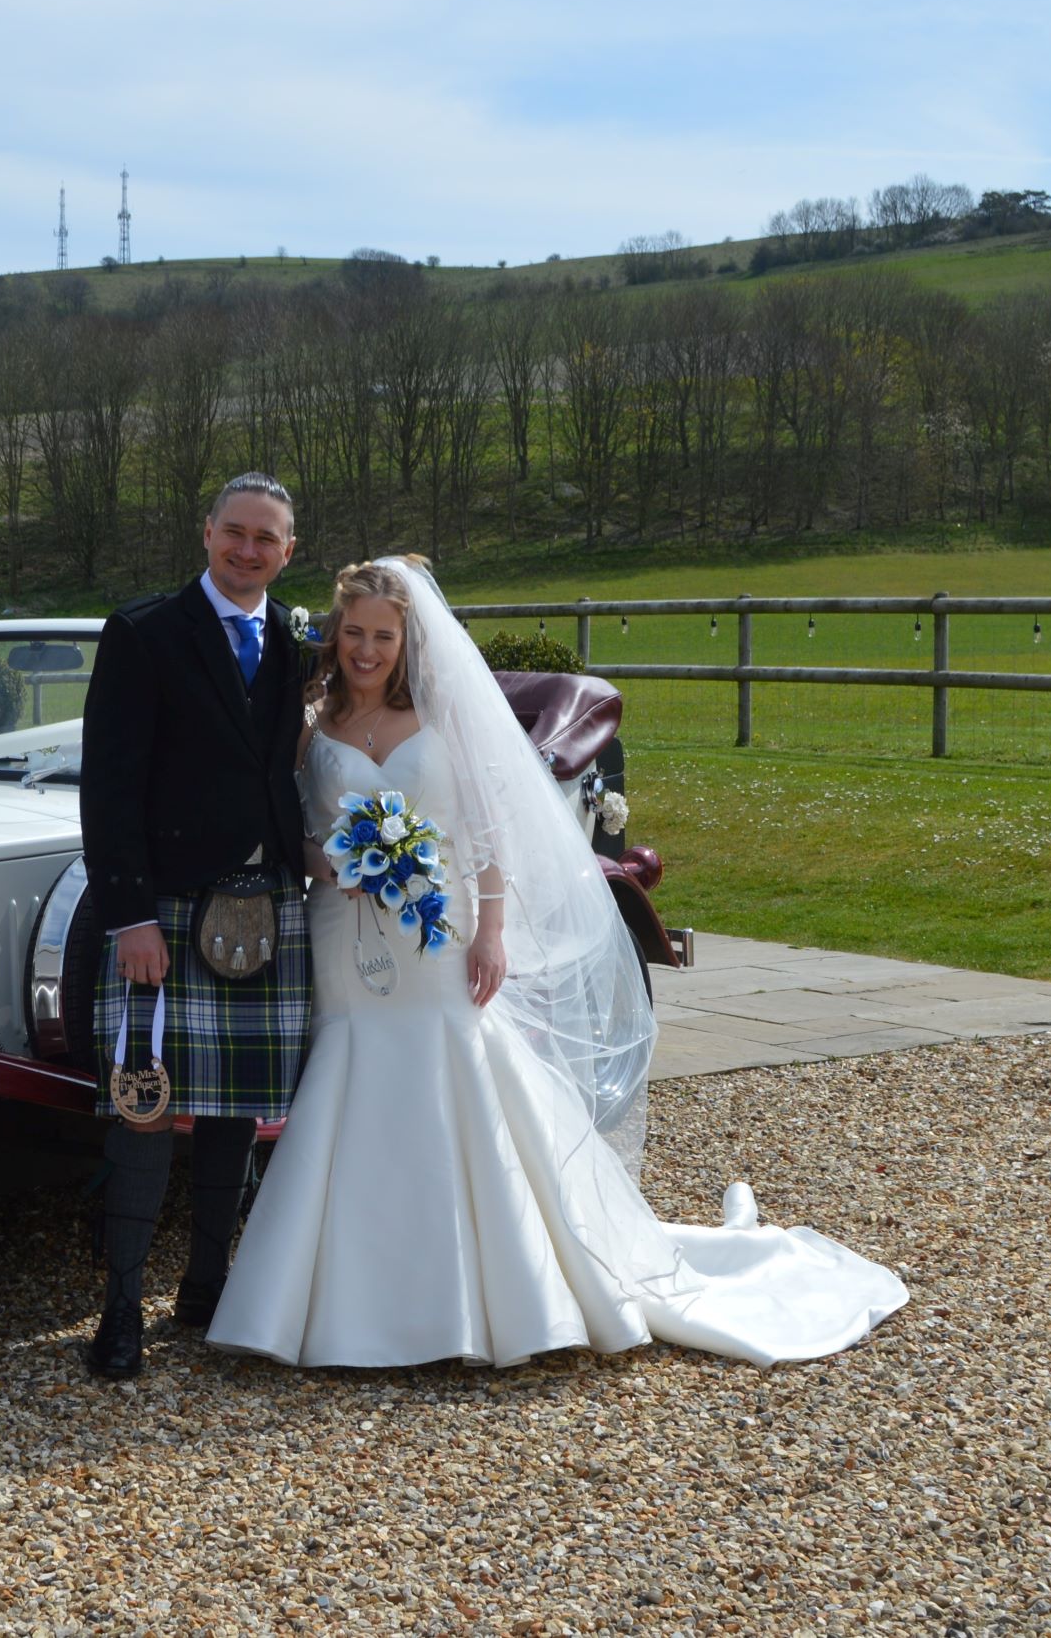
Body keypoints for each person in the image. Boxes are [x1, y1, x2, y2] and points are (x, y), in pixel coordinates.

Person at [207, 557, 908, 1369]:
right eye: (355, 633)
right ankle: (335, 1304)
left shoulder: (439, 713)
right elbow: (289, 822)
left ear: (408, 641)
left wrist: (491, 930)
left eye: (383, 636)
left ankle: (487, 1299)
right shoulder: (311, 719)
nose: (367, 649)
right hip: (345, 932)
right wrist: (325, 861)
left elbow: (485, 829)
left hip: (440, 935)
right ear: (337, 634)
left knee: (451, 1078)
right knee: (347, 1082)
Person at [77, 472, 314, 1380]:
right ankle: (121, 1310)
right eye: (235, 533)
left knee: (237, 1108)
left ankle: (207, 1290)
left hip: (268, 901)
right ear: (206, 531)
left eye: (268, 539)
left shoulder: (295, 637)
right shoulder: (143, 633)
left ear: (288, 551)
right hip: (167, 909)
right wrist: (130, 912)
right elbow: (109, 784)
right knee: (147, 1102)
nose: (248, 550)